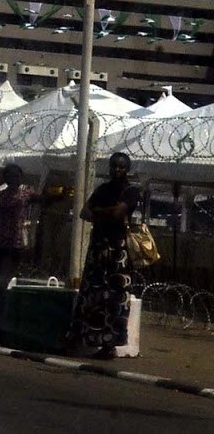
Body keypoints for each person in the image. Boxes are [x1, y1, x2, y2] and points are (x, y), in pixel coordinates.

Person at [69, 151, 143, 359]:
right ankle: (87, 339)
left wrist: (99, 212)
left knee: (116, 297)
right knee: (92, 295)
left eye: (121, 167)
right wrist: (107, 212)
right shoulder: (103, 189)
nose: (117, 170)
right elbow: (84, 212)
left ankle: (110, 344)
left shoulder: (131, 191)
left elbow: (118, 213)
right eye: (114, 166)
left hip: (117, 250)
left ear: (127, 169)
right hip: (99, 246)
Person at [0, 163, 36, 343]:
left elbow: (46, 200)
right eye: (10, 176)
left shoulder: (26, 194)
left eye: (16, 176)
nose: (13, 179)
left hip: (14, 245)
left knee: (2, 284)